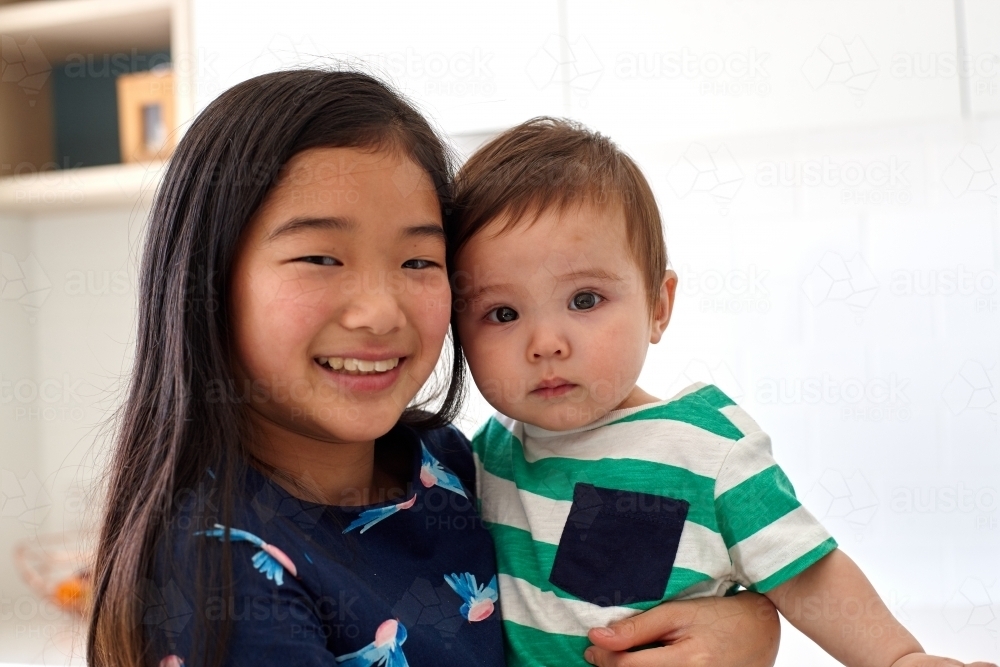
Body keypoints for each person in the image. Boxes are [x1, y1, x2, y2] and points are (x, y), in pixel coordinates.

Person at [86, 70, 783, 667]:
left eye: (418, 261)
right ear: (207, 282)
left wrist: (744, 624)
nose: (380, 311)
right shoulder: (218, 570)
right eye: (321, 258)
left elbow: (610, 605)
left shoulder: (454, 467)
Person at [449, 117, 998, 667]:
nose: (546, 343)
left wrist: (898, 659)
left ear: (658, 306)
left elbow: (804, 572)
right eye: (503, 313)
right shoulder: (485, 458)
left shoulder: (706, 446)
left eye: (585, 300)